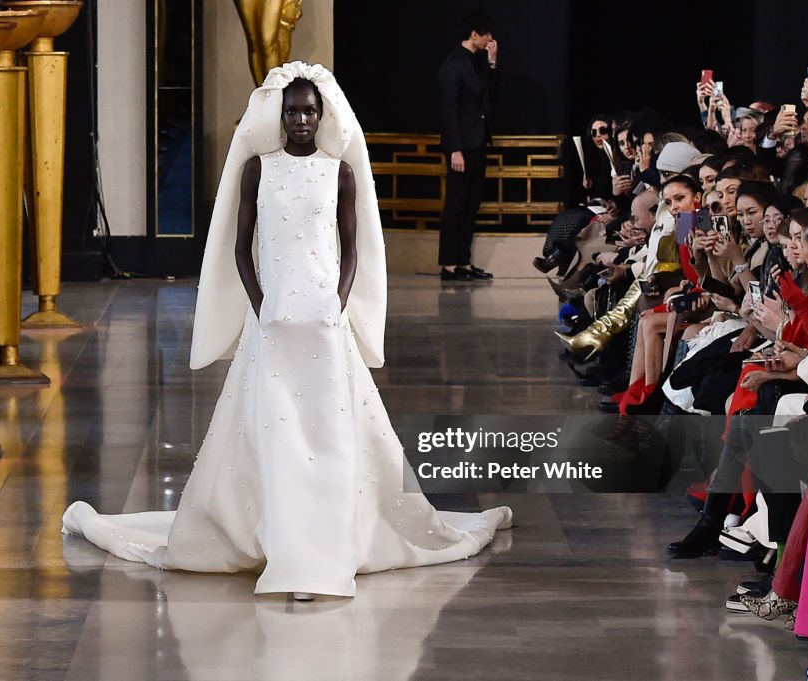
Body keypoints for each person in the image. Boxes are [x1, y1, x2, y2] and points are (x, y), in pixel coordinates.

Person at [61, 62, 513, 600]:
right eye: (293, 110)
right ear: (280, 115)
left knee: (330, 429)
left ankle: (327, 542)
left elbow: (352, 248)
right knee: (271, 428)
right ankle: (280, 539)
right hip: (272, 321)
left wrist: (339, 303)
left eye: (309, 110)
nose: (300, 118)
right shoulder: (259, 168)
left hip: (324, 322)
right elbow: (239, 245)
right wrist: (259, 304)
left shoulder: (338, 171)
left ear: (322, 116)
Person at [436, 13, 498, 281]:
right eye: (487, 36)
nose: (490, 40)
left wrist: (492, 62)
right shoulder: (453, 64)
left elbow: (485, 97)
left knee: (471, 204)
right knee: (456, 204)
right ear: (474, 35)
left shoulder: (476, 62)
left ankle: (463, 261)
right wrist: (455, 149)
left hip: (478, 142)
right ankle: (449, 264)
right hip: (462, 146)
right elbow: (449, 110)